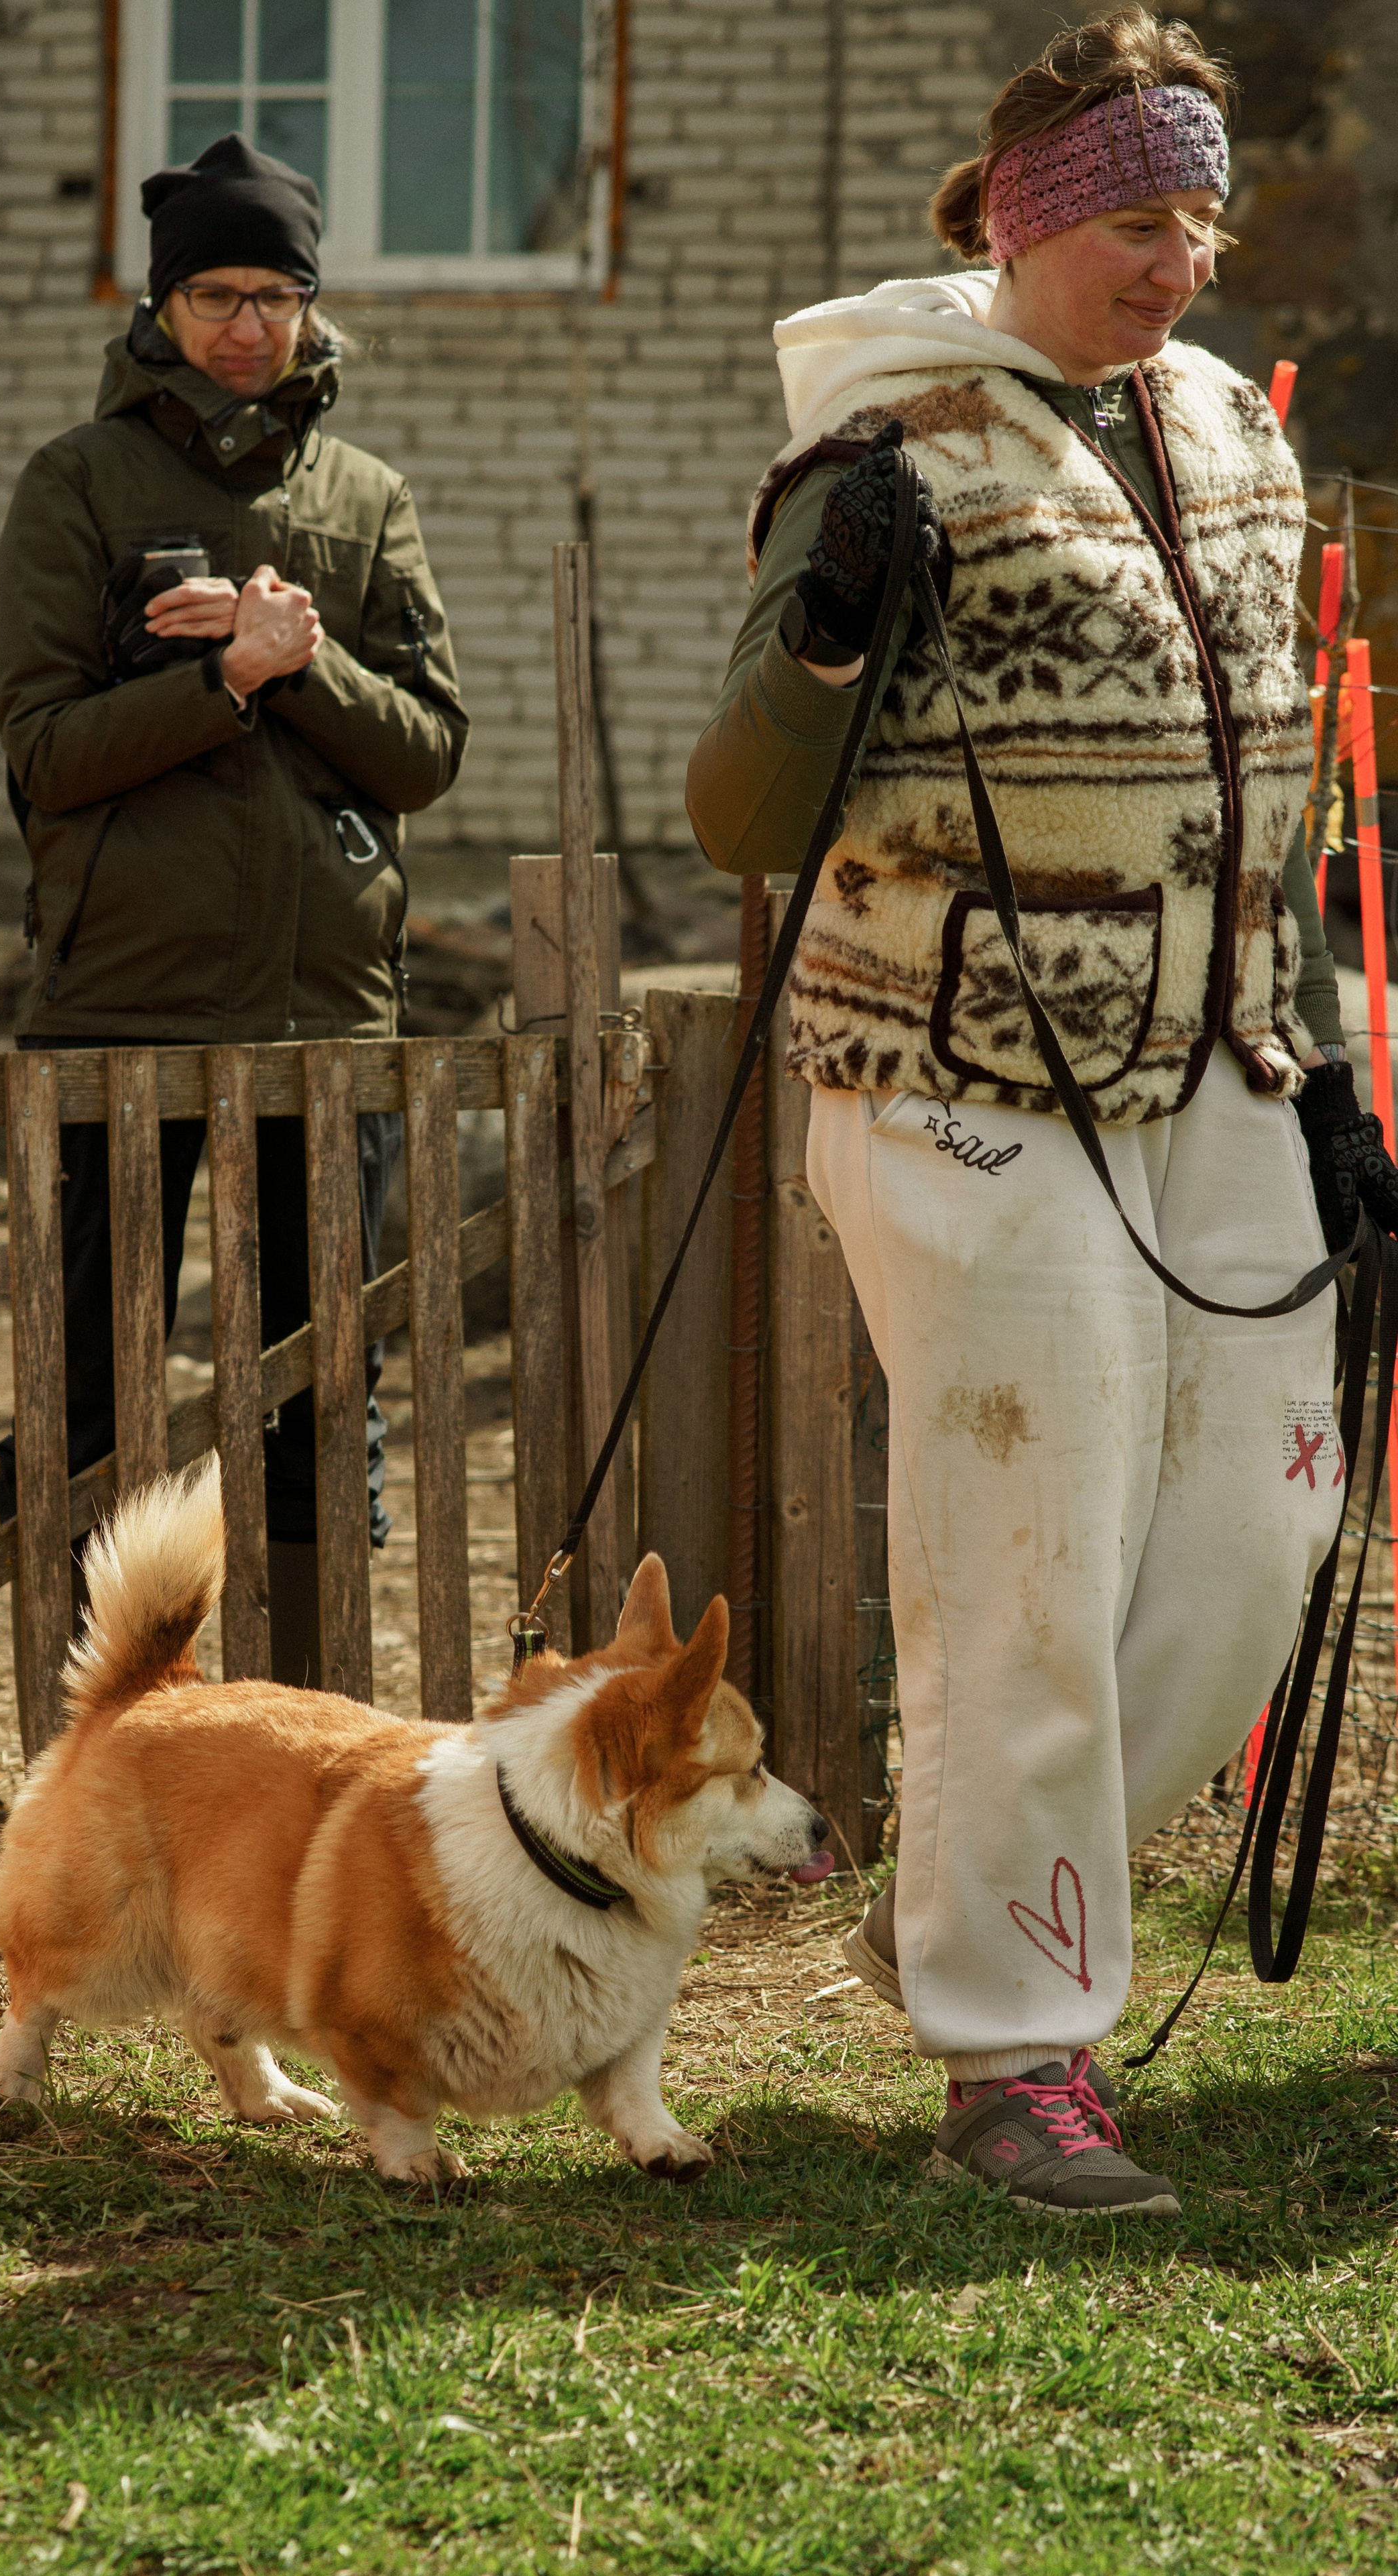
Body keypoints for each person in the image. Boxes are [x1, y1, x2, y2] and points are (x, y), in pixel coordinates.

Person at [687, 9, 1398, 2214]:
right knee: (1031, 1556)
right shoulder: (886, 445)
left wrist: (1331, 1061)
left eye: (1202, 220)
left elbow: (1277, 794)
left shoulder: (1234, 432)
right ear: (1028, 219)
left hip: (1222, 1063)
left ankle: (995, 1894)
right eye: (1137, 222)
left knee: (1264, 1526)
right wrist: (826, 636)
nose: (1179, 262)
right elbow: (740, 817)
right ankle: (1014, 2049)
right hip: (965, 1076)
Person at [0, 135, 467, 1684]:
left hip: (326, 1012)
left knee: (320, 1387)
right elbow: (45, 756)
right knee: (84, 1385)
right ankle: (82, 1727)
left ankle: (306, 1715)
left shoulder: (366, 497)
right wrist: (221, 681)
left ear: (311, 305)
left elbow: (427, 753)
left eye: (275, 295)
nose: (249, 327)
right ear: (162, 304)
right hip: (118, 1003)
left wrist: (300, 660)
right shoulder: (77, 482)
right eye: (215, 296)